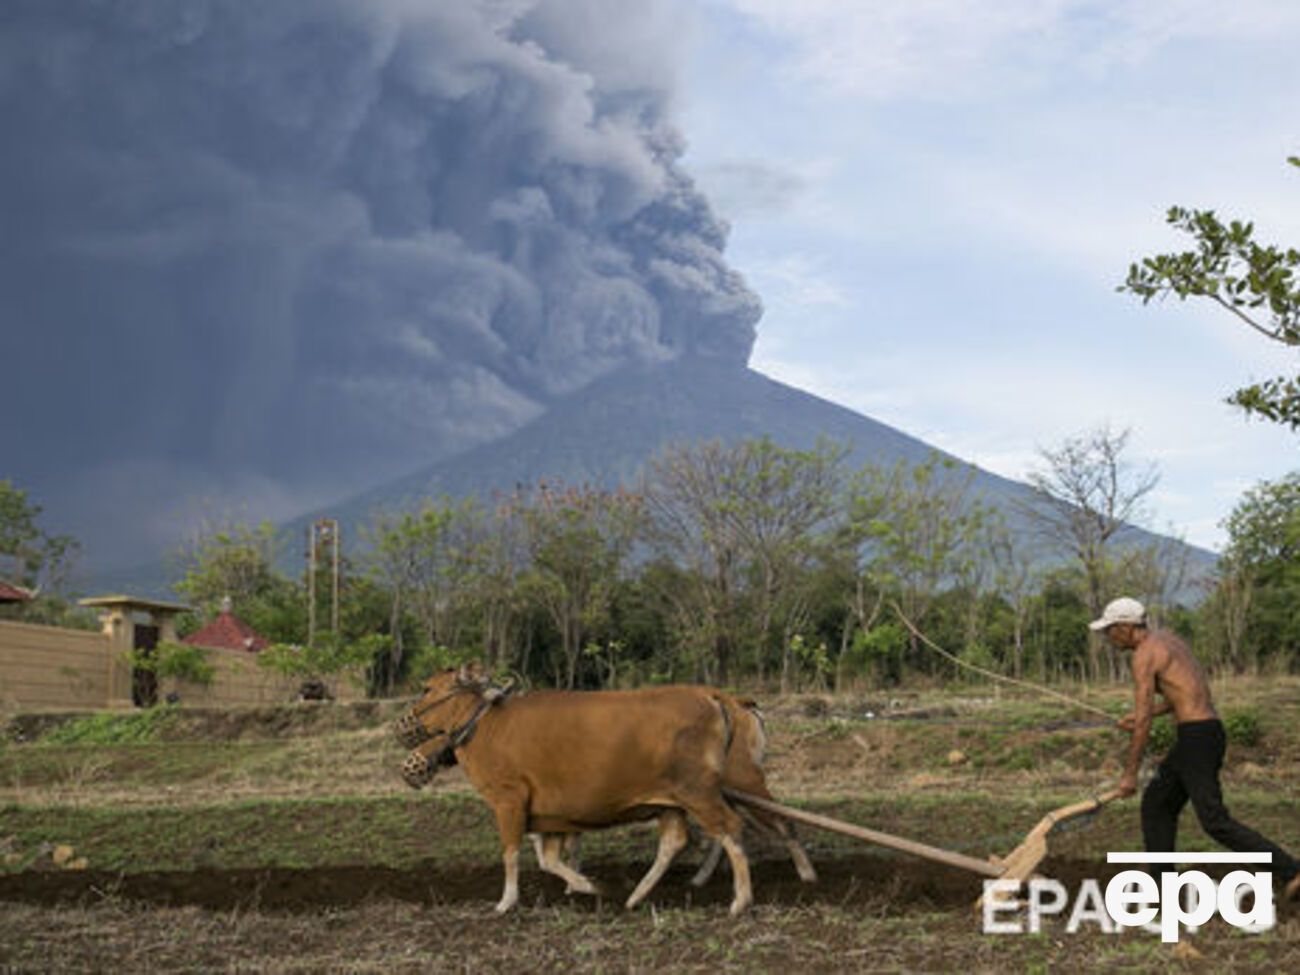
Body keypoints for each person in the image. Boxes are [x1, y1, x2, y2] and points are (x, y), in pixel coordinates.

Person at [1093, 596, 1299, 903]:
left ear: (1125, 627)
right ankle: (1163, 889)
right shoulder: (1170, 641)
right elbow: (1187, 692)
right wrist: (1146, 715)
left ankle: (1290, 870)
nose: (1108, 637)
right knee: (1157, 804)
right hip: (1205, 733)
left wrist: (1129, 774)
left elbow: (1144, 724)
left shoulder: (1143, 656)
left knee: (1214, 820)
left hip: (1196, 739)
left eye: (1110, 630)